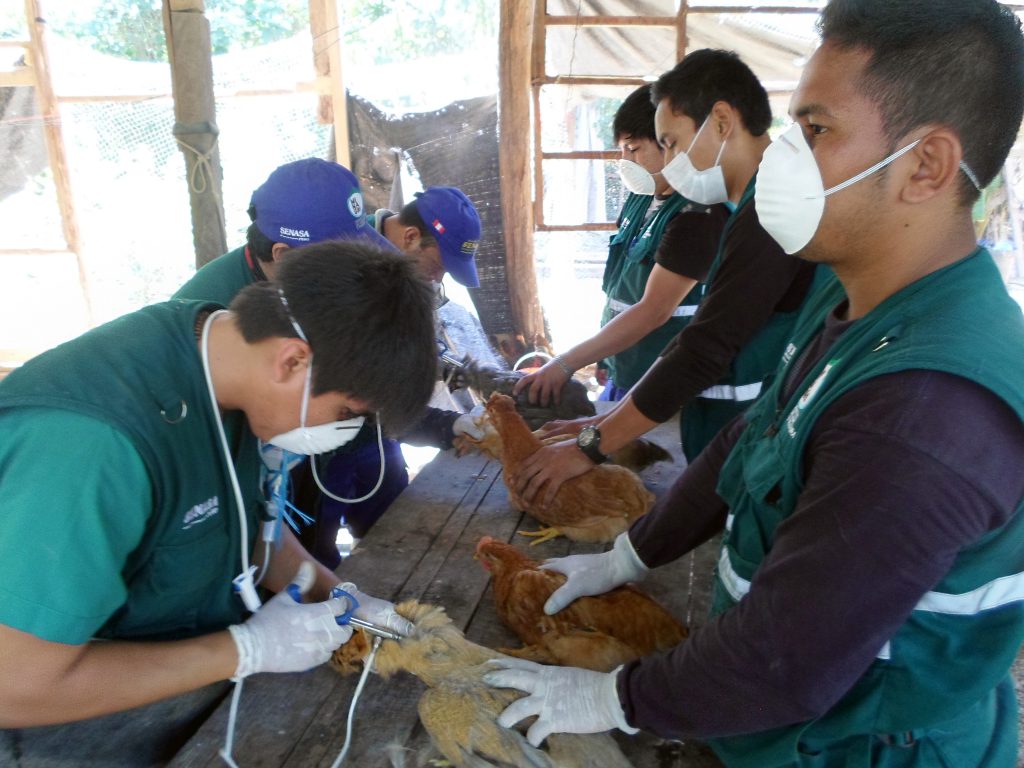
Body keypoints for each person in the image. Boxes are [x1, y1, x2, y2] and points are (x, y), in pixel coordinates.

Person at [485, 2, 1024, 766]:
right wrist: (629, 556)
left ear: (926, 166)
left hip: (856, 749)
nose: (788, 156)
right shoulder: (857, 306)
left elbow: (787, 659)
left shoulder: (926, 410)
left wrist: (618, 698)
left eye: (817, 130)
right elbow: (756, 434)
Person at [0, 242, 435, 729]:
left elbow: (251, 533)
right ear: (292, 362)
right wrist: (245, 650)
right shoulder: (91, 449)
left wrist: (344, 599)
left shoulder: (222, 353)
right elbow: (15, 687)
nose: (345, 431)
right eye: (347, 413)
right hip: (66, 726)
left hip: (183, 685)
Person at [514, 49, 823, 498]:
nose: (671, 160)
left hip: (751, 429)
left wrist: (589, 446)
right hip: (724, 426)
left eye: (672, 143)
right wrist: (601, 421)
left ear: (721, 121)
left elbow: (704, 347)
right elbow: (702, 331)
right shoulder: (748, 206)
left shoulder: (770, 210)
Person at [174, 158, 483, 567]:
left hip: (351, 439)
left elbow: (363, 385)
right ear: (284, 256)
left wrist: (445, 424)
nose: (352, 269)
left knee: (393, 539)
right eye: (339, 256)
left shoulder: (327, 289)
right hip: (275, 472)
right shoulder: (212, 315)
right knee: (306, 557)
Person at [514, 84, 728, 406]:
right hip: (626, 371)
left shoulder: (698, 215)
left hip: (668, 385)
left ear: (672, 144)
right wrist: (606, 358)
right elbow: (619, 290)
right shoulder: (640, 199)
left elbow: (653, 311)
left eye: (633, 148)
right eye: (622, 150)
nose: (623, 160)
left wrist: (566, 362)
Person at [369, 184, 483, 288]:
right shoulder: (352, 244)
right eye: (437, 266)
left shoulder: (419, 290)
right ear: (411, 237)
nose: (438, 279)